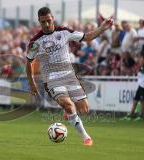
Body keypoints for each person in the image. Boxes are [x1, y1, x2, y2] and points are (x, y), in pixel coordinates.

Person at [26, 7, 113, 146]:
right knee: (67, 104)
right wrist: (32, 83)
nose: (47, 24)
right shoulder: (35, 41)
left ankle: (68, 114)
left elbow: (88, 37)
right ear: (39, 21)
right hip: (51, 77)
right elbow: (28, 62)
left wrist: (103, 28)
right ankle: (86, 137)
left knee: (84, 109)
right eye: (43, 22)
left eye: (48, 20)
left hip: (69, 74)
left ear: (52, 18)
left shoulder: (64, 32)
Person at [121, 55, 144, 121]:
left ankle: (141, 116)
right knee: (135, 101)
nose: (139, 60)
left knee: (142, 101)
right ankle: (131, 115)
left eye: (141, 59)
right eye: (139, 59)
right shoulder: (141, 67)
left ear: (143, 61)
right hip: (140, 86)